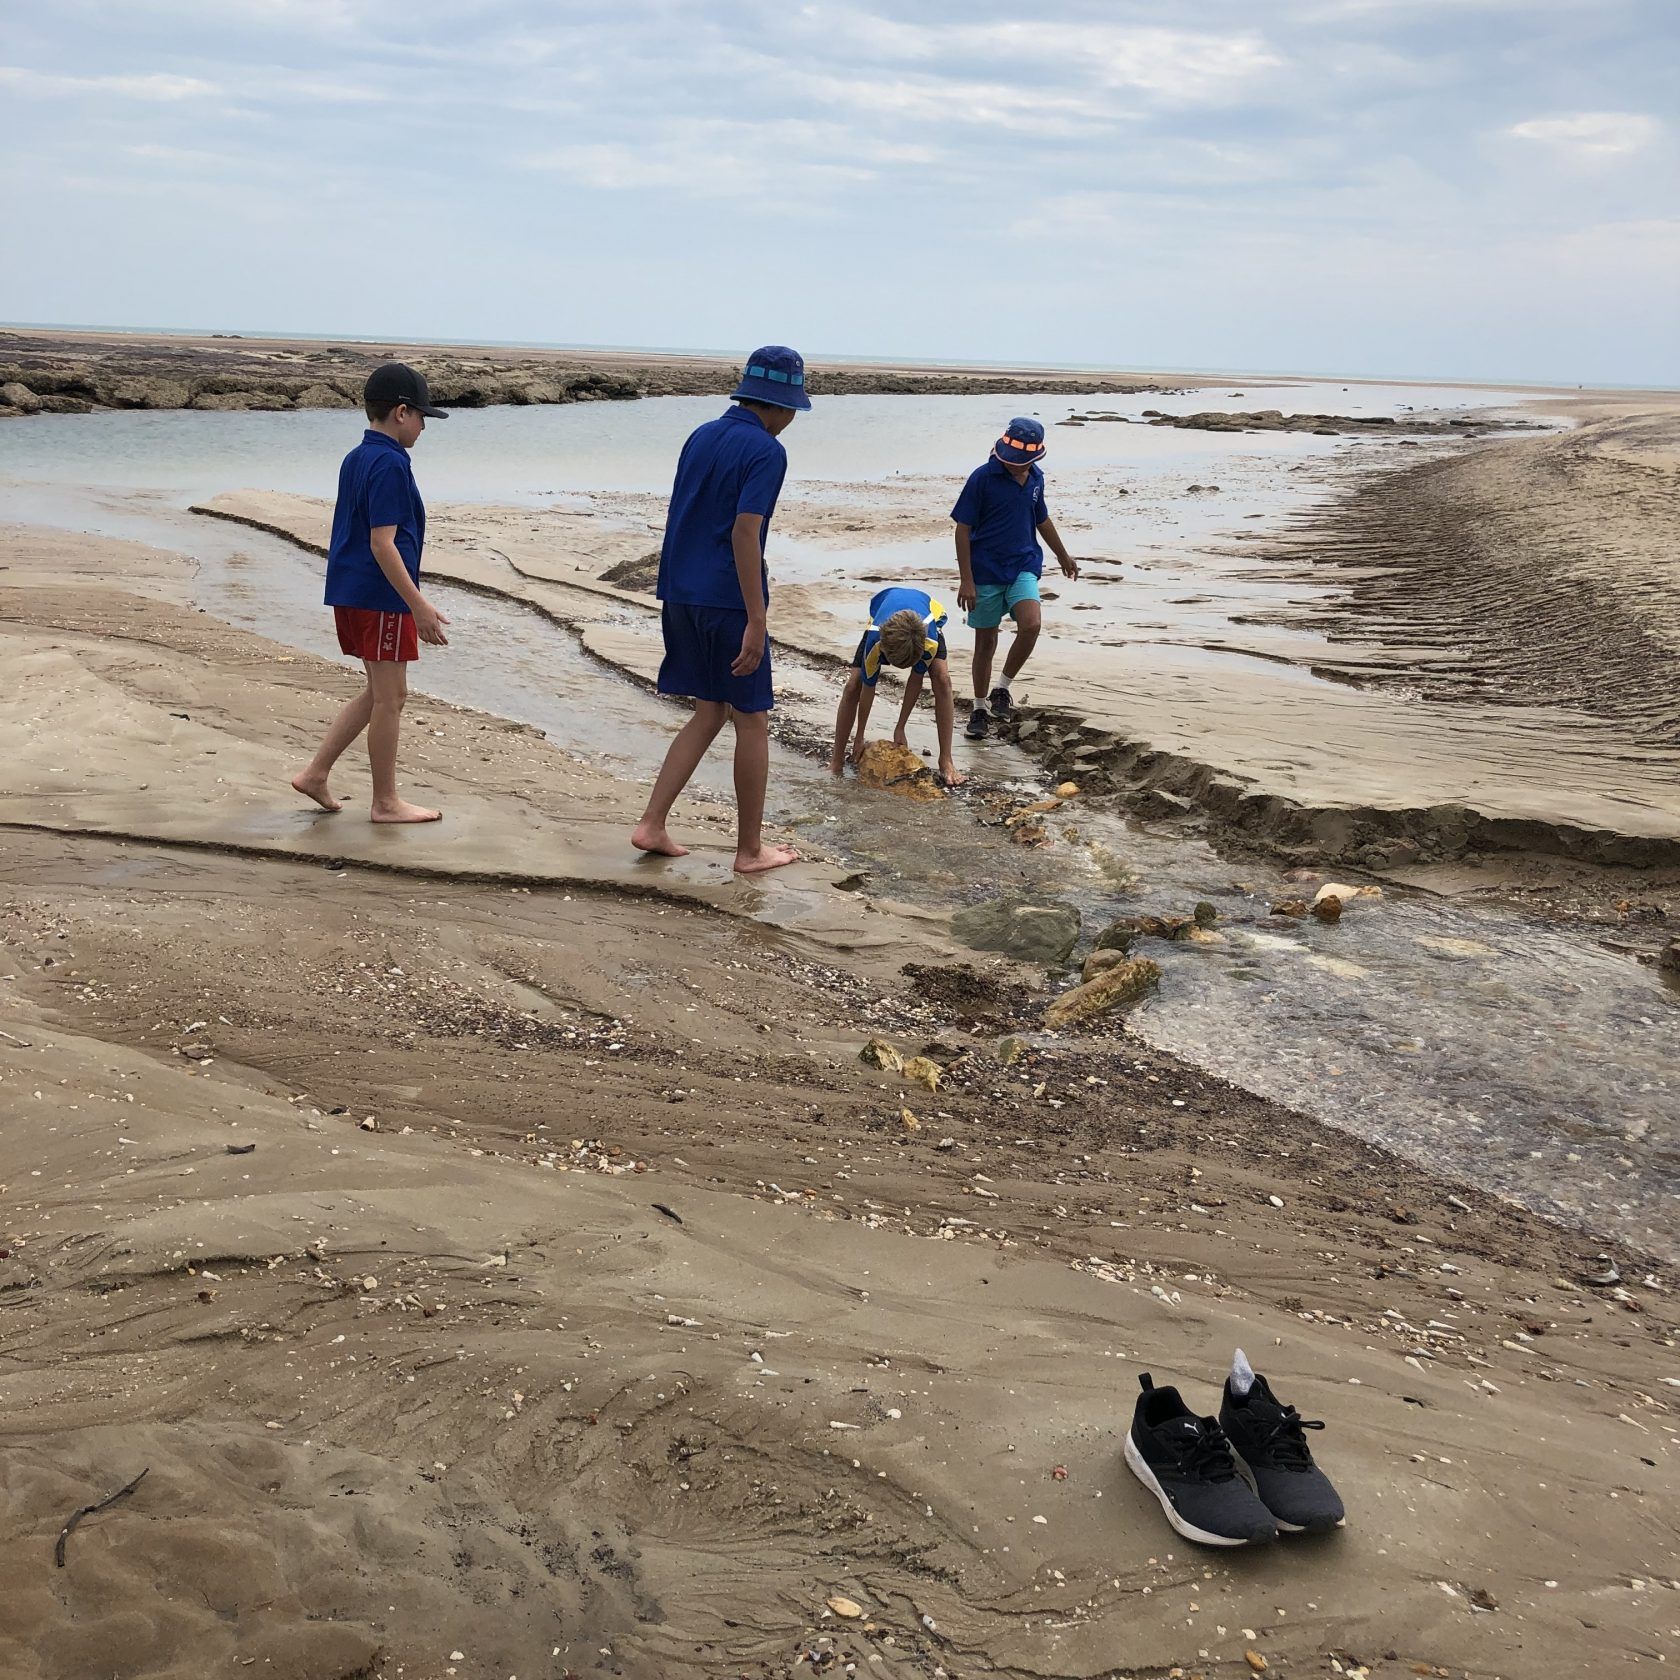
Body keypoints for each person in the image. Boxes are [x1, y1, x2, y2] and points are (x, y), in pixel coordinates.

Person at [630, 345, 809, 874]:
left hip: (680, 592)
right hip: (727, 601)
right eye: (794, 408)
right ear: (780, 405)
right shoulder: (767, 451)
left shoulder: (701, 434)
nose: (793, 419)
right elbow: (744, 530)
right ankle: (750, 850)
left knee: (709, 711)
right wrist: (757, 617)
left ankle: (652, 824)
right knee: (751, 720)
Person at [291, 362, 450, 823]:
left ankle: (316, 773)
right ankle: (385, 802)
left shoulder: (359, 455)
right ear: (401, 412)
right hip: (378, 594)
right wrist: (417, 604)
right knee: (391, 698)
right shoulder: (389, 463)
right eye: (423, 417)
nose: (424, 426)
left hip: (354, 589)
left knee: (379, 692)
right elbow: (383, 543)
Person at [951, 416, 1080, 739]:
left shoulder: (1036, 479)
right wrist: (966, 580)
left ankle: (1002, 689)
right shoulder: (982, 479)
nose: (1018, 467)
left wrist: (1063, 555)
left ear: (1035, 458)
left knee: (1032, 624)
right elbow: (962, 530)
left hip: (1023, 564)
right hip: (985, 571)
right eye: (1014, 462)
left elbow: (1042, 519)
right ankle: (979, 708)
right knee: (986, 642)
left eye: (1024, 463)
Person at [830, 586, 965, 787]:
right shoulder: (876, 641)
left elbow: (916, 680)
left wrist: (900, 726)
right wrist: (859, 736)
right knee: (852, 686)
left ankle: (946, 759)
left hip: (926, 620)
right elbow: (868, 689)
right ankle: (836, 761)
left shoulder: (929, 642)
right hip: (883, 619)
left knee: (942, 679)